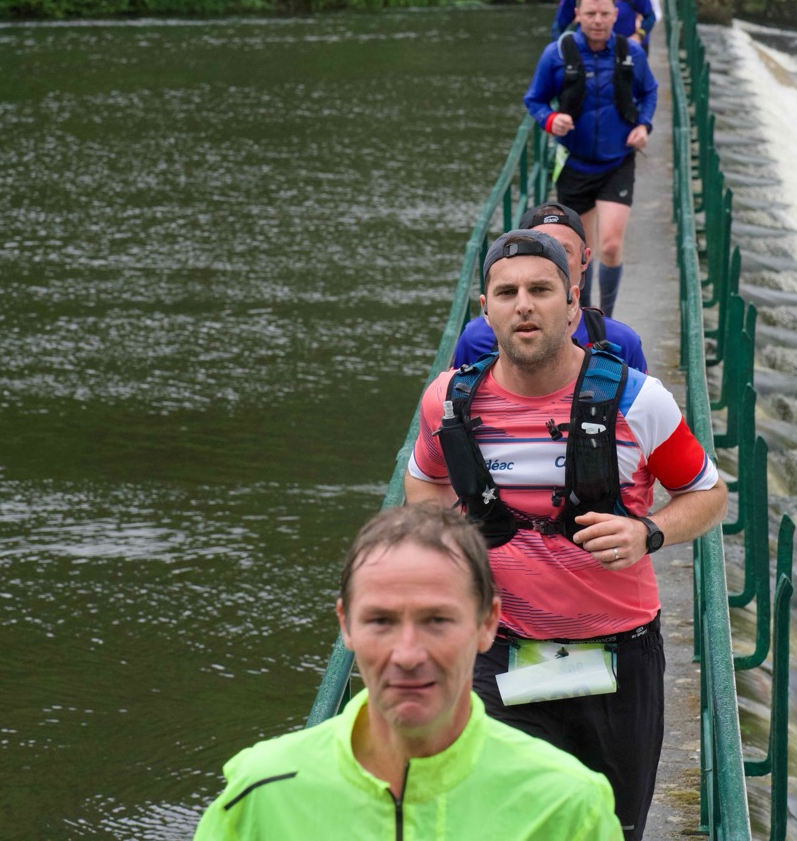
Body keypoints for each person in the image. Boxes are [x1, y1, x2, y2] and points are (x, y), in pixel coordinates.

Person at [405, 231, 728, 839]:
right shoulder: (450, 402)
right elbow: (424, 481)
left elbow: (709, 494)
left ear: (573, 302)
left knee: (610, 828)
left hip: (618, 654)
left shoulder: (638, 400)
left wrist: (648, 532)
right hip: (497, 648)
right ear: (486, 310)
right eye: (507, 293)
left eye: (540, 290)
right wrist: (448, 552)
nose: (523, 305)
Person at [193, 503, 622, 841]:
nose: (408, 654)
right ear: (346, 625)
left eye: (437, 620)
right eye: (381, 621)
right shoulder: (263, 792)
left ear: (487, 623)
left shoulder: (566, 805)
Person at [525, 0, 659, 318]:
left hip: (617, 161)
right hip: (575, 163)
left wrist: (644, 126)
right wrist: (550, 120)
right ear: (578, 15)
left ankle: (606, 319)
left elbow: (650, 91)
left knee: (610, 245)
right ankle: (582, 317)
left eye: (604, 14)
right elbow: (534, 100)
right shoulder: (556, 54)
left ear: (615, 15)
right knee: (578, 253)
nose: (597, 21)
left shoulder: (631, 53)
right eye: (590, 14)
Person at [452, 201, 648, 372]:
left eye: (563, 250)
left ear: (585, 259)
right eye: (540, 251)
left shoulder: (620, 341)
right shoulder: (476, 339)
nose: (553, 261)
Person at [551, 0, 655, 50]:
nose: (598, 20)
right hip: (587, 55)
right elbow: (558, 27)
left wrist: (639, 36)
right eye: (591, 13)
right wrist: (564, 51)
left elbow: (650, 17)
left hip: (627, 52)